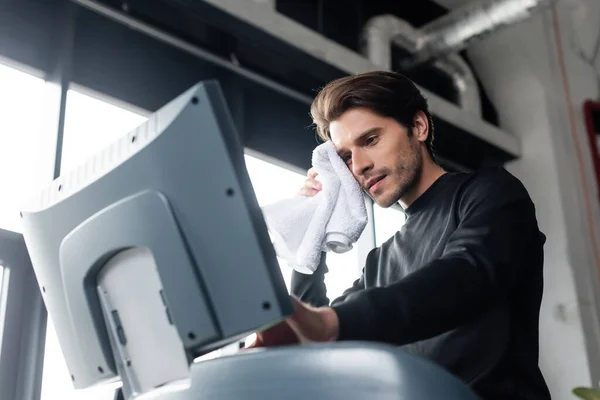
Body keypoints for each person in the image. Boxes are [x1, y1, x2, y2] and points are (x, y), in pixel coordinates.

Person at [248, 71, 551, 400]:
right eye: (346, 157)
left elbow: (467, 274)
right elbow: (319, 341)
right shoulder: (380, 262)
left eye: (371, 140)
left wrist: (334, 322)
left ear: (418, 127)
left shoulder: (489, 193)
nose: (359, 165)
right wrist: (314, 227)